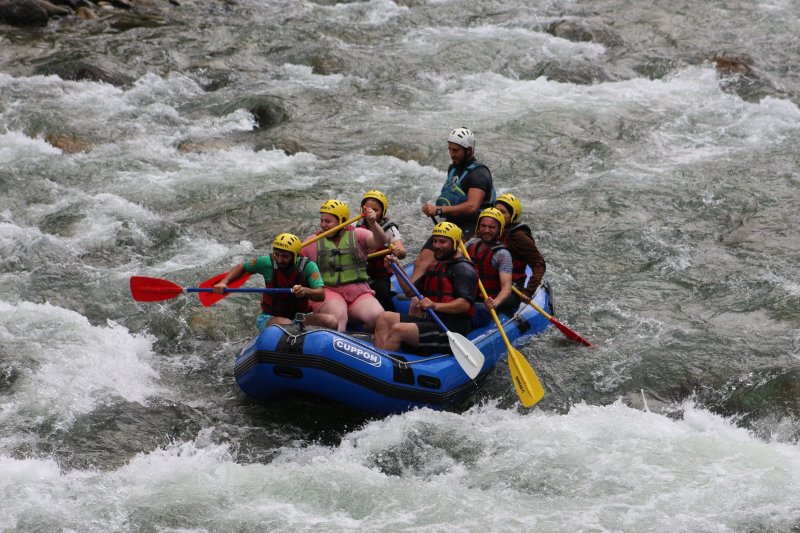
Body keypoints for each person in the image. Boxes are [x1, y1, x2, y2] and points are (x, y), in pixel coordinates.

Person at [374, 222, 478, 355]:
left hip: (450, 330)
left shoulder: (463, 270)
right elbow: (409, 291)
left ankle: (384, 367)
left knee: (398, 329)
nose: (436, 246)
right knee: (384, 318)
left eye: (442, 242)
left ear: (455, 243)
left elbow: (464, 305)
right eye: (434, 241)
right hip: (432, 322)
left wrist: (435, 306)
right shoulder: (435, 267)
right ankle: (378, 358)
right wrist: (397, 268)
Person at [412, 127, 496, 282]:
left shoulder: (479, 173)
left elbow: (472, 206)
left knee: (445, 263)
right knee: (421, 261)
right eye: (450, 149)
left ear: (469, 151)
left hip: (473, 225)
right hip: (453, 223)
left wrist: (439, 209)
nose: (452, 154)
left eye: (456, 150)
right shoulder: (453, 169)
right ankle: (412, 296)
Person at [213, 233, 338, 331]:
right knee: (287, 325)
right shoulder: (266, 262)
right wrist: (224, 282)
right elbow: (242, 267)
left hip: (300, 317)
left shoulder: (308, 267)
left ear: (295, 255)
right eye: (277, 254)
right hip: (270, 317)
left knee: (331, 321)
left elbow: (320, 294)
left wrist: (305, 291)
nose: (279, 259)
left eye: (284, 256)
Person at [300, 199, 388, 332]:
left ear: (342, 221)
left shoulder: (358, 235)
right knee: (339, 316)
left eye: (328, 221)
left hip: (358, 292)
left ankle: (361, 337)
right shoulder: (312, 242)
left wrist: (373, 223)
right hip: (329, 291)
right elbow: (294, 262)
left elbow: (380, 240)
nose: (323, 225)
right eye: (322, 220)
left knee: (377, 316)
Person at [465, 207, 517, 326]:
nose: (486, 230)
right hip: (467, 296)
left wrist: (496, 302)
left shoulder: (502, 255)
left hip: (485, 304)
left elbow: (506, 288)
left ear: (499, 229)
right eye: (483, 226)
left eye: (492, 227)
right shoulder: (472, 243)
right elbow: (456, 255)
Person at [356, 190, 407, 312]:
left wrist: (398, 251)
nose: (371, 212)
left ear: (383, 212)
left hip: (379, 275)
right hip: (359, 271)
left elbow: (402, 252)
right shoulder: (355, 225)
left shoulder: (389, 228)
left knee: (382, 293)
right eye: (367, 209)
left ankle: (391, 316)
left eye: (375, 209)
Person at [494, 193, 546, 299]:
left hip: (511, 287)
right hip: (491, 282)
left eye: (503, 212)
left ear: (513, 216)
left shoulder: (518, 236)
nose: (497, 215)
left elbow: (539, 264)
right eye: (496, 211)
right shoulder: (489, 229)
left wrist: (528, 292)